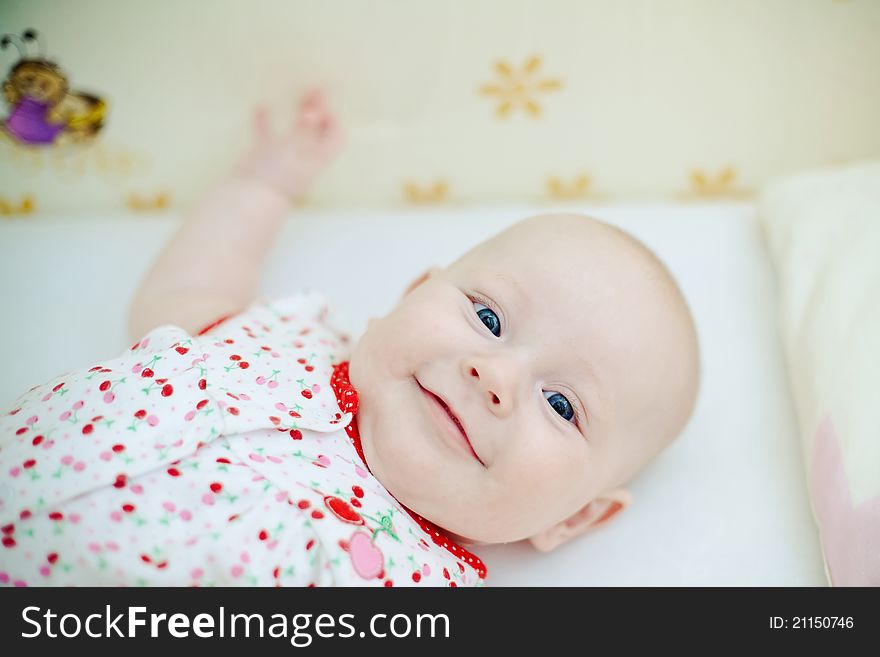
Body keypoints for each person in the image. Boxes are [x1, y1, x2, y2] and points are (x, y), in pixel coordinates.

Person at [0, 89, 700, 586]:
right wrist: (266, 183)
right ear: (411, 295)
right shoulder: (283, 334)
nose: (497, 375)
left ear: (575, 516)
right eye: (488, 317)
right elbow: (182, 294)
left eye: (563, 405)